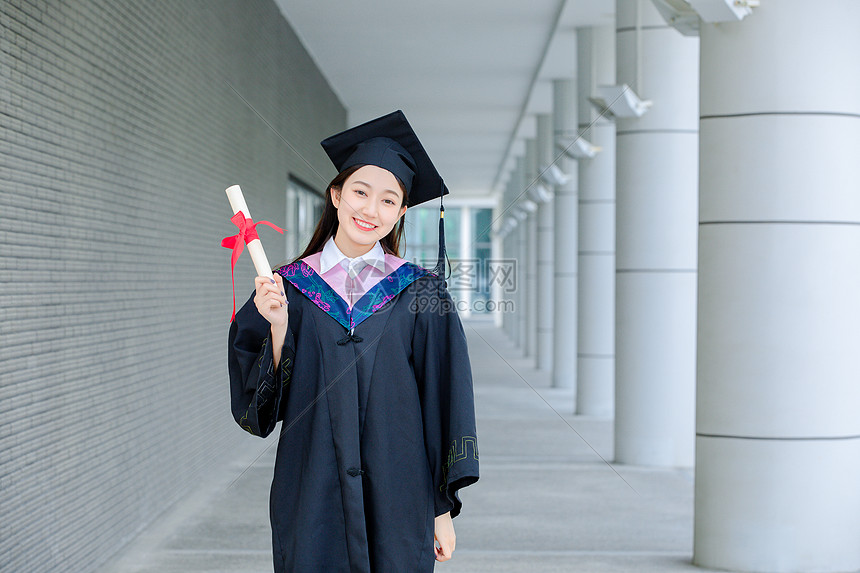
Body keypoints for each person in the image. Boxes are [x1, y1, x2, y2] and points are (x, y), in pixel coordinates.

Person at [227, 110, 479, 573]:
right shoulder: (287, 287)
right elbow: (262, 409)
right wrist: (279, 325)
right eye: (360, 192)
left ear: (401, 211)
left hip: (399, 493)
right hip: (312, 489)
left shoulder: (421, 292)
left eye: (388, 200)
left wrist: (441, 509)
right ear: (337, 195)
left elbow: (445, 399)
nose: (370, 210)